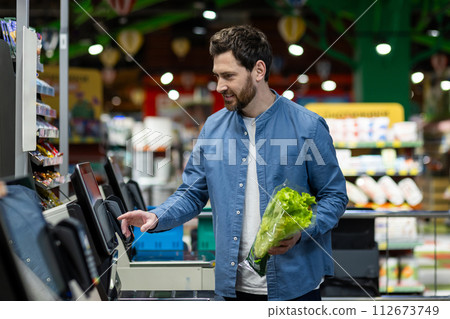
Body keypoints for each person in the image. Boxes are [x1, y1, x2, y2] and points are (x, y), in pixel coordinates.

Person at [118, 25, 348, 301]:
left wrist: (304, 229)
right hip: (232, 289)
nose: (220, 86)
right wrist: (158, 216)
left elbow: (334, 196)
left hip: (295, 287)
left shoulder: (308, 127)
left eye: (229, 76)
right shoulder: (213, 128)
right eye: (217, 76)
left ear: (258, 71)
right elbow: (192, 193)